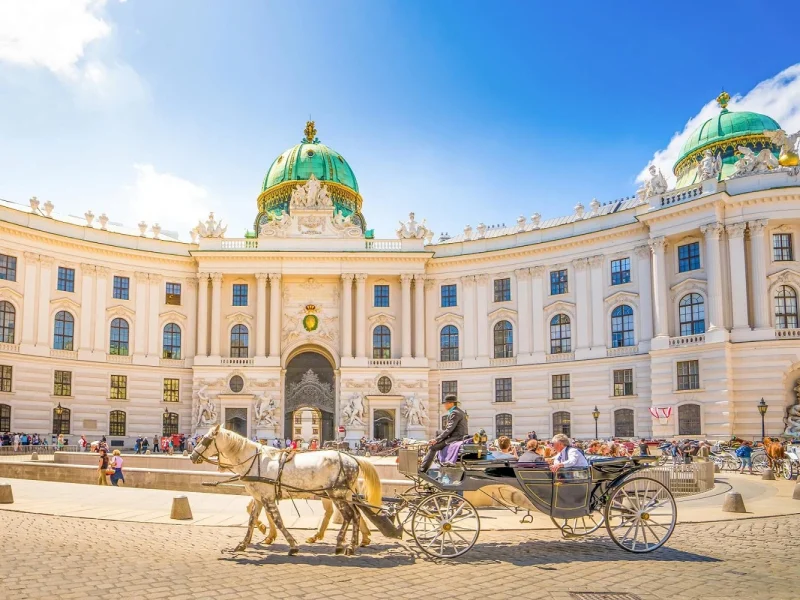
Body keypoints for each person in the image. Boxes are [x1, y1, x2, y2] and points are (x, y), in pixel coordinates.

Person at [419, 395, 468, 472]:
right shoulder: (458, 411)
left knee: (433, 447)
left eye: (445, 403)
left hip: (456, 437)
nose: (444, 405)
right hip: (457, 435)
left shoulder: (455, 413)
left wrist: (436, 440)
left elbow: (449, 429)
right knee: (438, 436)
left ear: (451, 403)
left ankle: (422, 469)